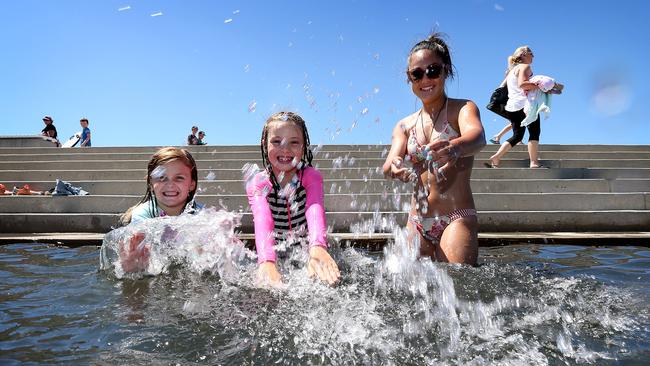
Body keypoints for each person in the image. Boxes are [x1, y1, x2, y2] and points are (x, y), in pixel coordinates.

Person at [382, 33, 486, 265]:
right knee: (403, 288)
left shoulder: (462, 109)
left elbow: (478, 137)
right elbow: (389, 164)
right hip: (417, 220)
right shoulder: (404, 125)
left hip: (455, 217)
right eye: (416, 74)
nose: (425, 79)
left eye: (433, 70)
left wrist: (455, 146)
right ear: (409, 78)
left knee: (457, 282)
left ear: (446, 70)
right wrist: (395, 167)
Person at [246, 111, 340, 286]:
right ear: (264, 144)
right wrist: (267, 261)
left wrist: (318, 247)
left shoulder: (310, 176)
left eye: (294, 142)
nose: (285, 149)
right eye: (276, 141)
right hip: (276, 250)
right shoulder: (259, 183)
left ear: (303, 147)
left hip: (308, 247)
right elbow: (262, 219)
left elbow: (314, 209)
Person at [118, 147, 203, 272]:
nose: (170, 184)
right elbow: (146, 260)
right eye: (161, 177)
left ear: (191, 184)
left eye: (179, 178)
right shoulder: (142, 216)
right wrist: (134, 268)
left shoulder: (201, 214)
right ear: (151, 184)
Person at [487, 46, 553, 169]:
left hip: (512, 107)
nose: (533, 56)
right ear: (523, 54)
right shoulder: (524, 67)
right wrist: (543, 86)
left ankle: (496, 157)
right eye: (531, 53)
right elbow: (523, 85)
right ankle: (534, 162)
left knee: (517, 136)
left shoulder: (512, 70)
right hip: (525, 105)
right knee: (534, 132)